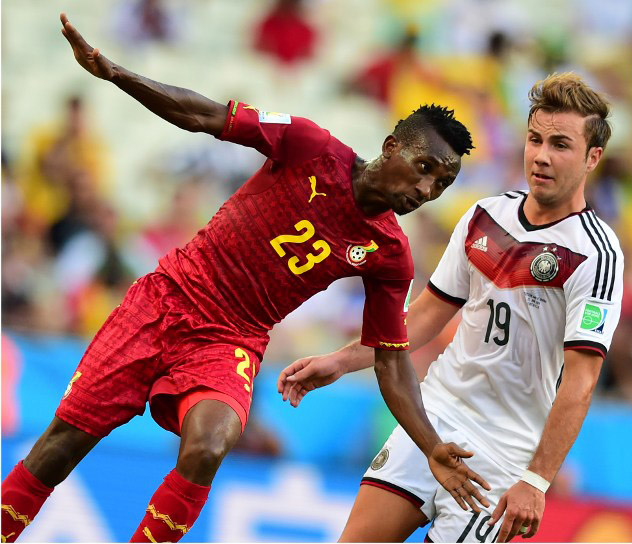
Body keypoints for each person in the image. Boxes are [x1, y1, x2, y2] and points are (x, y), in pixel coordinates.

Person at [0, 13, 490, 543]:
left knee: (210, 445)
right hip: (167, 299)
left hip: (230, 339)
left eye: (442, 183)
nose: (426, 190)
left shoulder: (390, 254)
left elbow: (391, 360)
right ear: (393, 145)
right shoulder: (309, 146)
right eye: (424, 167)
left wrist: (430, 444)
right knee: (61, 447)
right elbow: (204, 116)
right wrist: (116, 74)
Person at [279, 72, 625, 542]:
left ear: (592, 158)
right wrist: (342, 360)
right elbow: (422, 316)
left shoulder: (596, 255)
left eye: (560, 144)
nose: (542, 155)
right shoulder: (485, 215)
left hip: (504, 453)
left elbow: (580, 383)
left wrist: (537, 479)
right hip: (436, 418)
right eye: (534, 139)